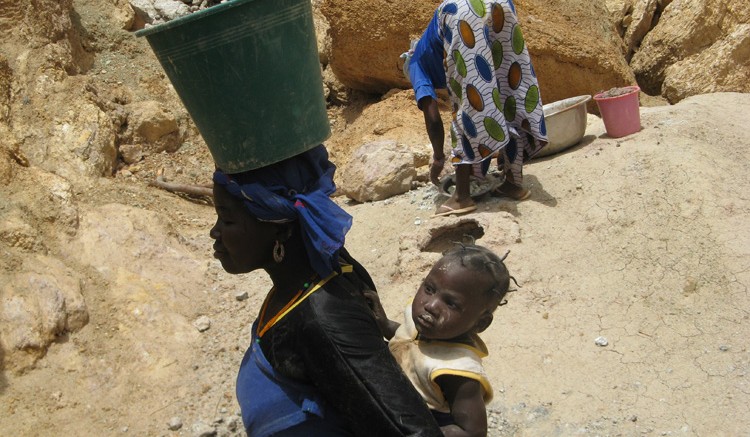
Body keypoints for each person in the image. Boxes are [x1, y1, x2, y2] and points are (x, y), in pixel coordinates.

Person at [210, 145, 442, 436]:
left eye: (227, 219)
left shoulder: (323, 320)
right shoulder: (316, 273)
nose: (214, 232)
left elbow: (410, 429)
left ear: (280, 230)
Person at [404, 0, 548, 216]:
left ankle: (461, 197)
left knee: (465, 106)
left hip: (460, 12)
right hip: (500, 4)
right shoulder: (429, 47)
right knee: (508, 90)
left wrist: (437, 158)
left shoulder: (415, 64)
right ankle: (512, 183)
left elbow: (433, 119)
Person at [364, 243, 513, 436]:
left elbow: (473, 432)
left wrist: (427, 432)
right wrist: (384, 324)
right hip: (392, 399)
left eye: (451, 303)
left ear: (480, 324)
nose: (431, 305)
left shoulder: (457, 370)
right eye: (429, 289)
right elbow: (408, 343)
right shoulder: (422, 324)